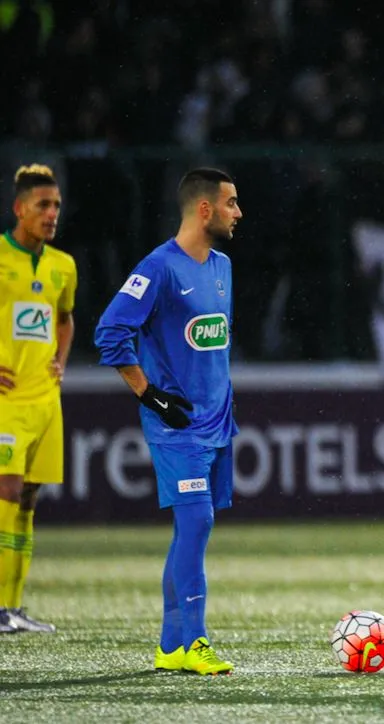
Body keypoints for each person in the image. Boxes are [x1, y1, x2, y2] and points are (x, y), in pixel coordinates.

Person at [94, 168, 241, 674]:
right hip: (176, 426)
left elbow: (210, 347)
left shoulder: (222, 267)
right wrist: (151, 396)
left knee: (191, 531)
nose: (238, 213)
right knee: (197, 521)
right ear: (204, 209)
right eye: (230, 203)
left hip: (217, 422)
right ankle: (197, 642)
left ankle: (170, 646)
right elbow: (111, 331)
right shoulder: (158, 268)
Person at [0, 164, 76, 635]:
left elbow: (65, 319)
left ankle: (12, 607)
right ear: (19, 209)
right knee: (6, 489)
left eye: (57, 206)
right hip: (6, 400)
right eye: (43, 205)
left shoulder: (62, 265)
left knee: (28, 498)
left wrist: (60, 361)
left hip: (45, 399)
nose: (52, 214)